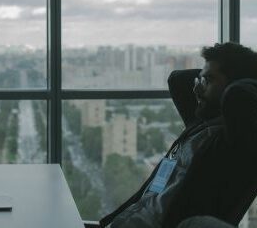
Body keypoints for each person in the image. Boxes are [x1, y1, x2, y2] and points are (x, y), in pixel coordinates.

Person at [99, 42, 257, 228]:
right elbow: (178, 79)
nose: (196, 89)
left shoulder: (235, 142)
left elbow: (239, 95)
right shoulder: (197, 125)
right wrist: (208, 77)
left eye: (208, 81)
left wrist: (242, 79)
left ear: (233, 86)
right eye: (200, 80)